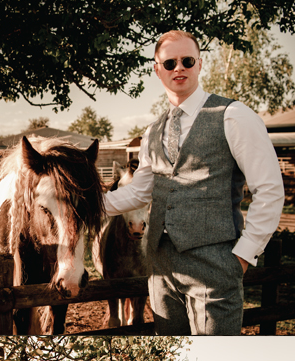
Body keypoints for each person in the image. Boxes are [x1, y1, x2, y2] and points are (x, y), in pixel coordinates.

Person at [104, 30, 284, 335]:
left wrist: (242, 257)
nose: (179, 68)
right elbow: (141, 190)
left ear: (199, 64)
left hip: (215, 268)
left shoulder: (234, 116)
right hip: (160, 269)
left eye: (187, 60)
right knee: (172, 351)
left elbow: (269, 190)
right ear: (157, 69)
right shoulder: (151, 131)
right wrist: (87, 204)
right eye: (170, 62)